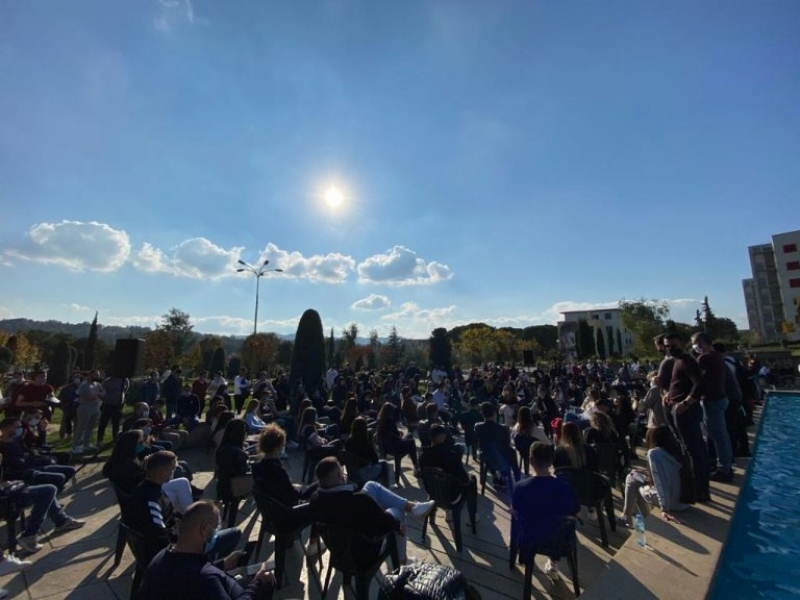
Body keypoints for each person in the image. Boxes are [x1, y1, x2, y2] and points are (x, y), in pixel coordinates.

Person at [305, 457, 434, 565]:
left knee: (371, 486)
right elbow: (387, 523)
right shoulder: (359, 501)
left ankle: (412, 507)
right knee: (397, 511)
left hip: (338, 550)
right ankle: (403, 560)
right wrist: (397, 524)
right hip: (365, 552)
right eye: (342, 471)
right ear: (339, 475)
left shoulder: (314, 500)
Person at [137, 500, 276, 600]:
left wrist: (223, 564)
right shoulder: (204, 579)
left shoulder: (162, 556)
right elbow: (199, 578)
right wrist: (258, 583)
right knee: (268, 582)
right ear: (203, 529)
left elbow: (188, 570)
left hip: (225, 585)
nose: (216, 532)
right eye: (216, 528)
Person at [123, 451, 240, 564]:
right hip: (176, 555)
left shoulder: (148, 488)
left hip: (176, 541)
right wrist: (187, 541)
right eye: (172, 469)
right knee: (234, 533)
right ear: (162, 472)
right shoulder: (151, 501)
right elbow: (159, 538)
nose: (174, 472)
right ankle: (208, 566)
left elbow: (170, 517)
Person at [511, 442, 580, 581]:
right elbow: (575, 511)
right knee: (558, 524)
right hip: (559, 541)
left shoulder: (520, 487)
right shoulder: (565, 487)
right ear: (551, 462)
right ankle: (554, 563)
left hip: (530, 538)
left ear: (531, 461)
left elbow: (516, 512)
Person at [1, 454, 84, 554]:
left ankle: (61, 521)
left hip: (11, 488)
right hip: (5, 499)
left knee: (47, 490)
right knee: (49, 490)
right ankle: (30, 535)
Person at [662, 333, 710, 502]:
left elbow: (700, 384)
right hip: (678, 407)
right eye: (667, 346)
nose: (670, 348)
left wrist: (686, 403)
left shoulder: (687, 360)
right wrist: (669, 394)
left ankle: (700, 490)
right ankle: (697, 487)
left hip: (686, 411)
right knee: (690, 449)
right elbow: (680, 383)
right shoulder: (677, 361)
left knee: (693, 451)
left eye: (673, 345)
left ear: (681, 343)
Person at [103, 429, 196, 511]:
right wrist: (146, 467)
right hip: (142, 498)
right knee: (181, 484)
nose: (143, 444)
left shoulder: (119, 460)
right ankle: (190, 517)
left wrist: (144, 466)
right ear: (131, 444)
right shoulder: (127, 464)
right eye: (140, 442)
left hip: (140, 494)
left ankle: (184, 515)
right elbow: (142, 481)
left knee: (180, 486)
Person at [691, 332, 734, 482]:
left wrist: (690, 398)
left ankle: (724, 469)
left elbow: (697, 380)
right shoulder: (717, 356)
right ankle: (726, 465)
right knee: (722, 434)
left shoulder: (704, 358)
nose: (694, 346)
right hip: (720, 398)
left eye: (695, 343)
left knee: (717, 436)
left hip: (711, 399)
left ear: (701, 343)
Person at [419, 424, 478, 522]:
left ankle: (446, 512)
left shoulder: (422, 456)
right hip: (452, 497)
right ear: (441, 437)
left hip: (432, 493)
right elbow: (464, 479)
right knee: (472, 479)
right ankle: (473, 516)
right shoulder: (450, 455)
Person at [474, 402, 520, 489]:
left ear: (482, 414)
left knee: (491, 450)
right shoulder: (503, 428)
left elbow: (478, 442)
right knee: (509, 452)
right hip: (500, 458)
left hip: (485, 456)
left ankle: (495, 476)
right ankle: (507, 478)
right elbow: (507, 444)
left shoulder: (477, 427)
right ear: (494, 413)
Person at [375, 403, 420, 479]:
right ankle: (416, 467)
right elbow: (398, 436)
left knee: (409, 435)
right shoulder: (390, 421)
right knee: (412, 443)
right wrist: (400, 434)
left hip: (386, 448)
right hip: (395, 448)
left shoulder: (380, 421)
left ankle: (415, 466)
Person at [344, 416, 392, 487]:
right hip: (361, 473)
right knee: (384, 464)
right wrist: (372, 443)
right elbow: (375, 459)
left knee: (380, 465)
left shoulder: (348, 441)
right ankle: (386, 489)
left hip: (352, 474)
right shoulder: (364, 441)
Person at [71, 370, 104, 454]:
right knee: (81, 427)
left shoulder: (97, 384)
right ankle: (75, 446)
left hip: (96, 407)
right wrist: (98, 395)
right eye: (95, 375)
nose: (97, 377)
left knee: (91, 427)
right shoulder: (84, 385)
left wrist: (98, 394)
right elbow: (90, 396)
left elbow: (104, 393)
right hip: (85, 408)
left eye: (98, 375)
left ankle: (86, 444)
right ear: (90, 375)